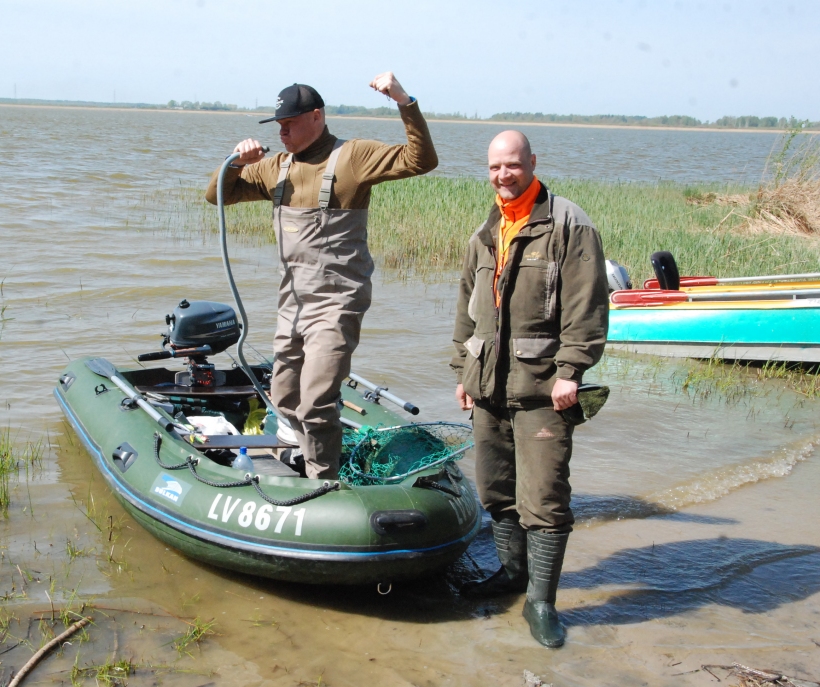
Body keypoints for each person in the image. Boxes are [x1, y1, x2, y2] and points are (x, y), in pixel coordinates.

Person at [207, 73, 438, 480]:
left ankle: (324, 480)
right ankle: (306, 450)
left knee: (315, 400)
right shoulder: (273, 168)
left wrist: (404, 100)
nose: (283, 133)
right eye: (278, 126)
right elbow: (216, 196)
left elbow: (421, 161)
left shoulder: (353, 157)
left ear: (316, 117)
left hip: (337, 303)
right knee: (282, 394)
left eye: (290, 124)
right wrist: (234, 163)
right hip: (291, 304)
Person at [450, 130, 608, 648]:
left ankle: (541, 603)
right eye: (495, 167)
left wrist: (572, 369)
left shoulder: (568, 223)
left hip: (544, 388)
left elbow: (588, 306)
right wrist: (461, 374)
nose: (503, 175)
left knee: (544, 498)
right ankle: (511, 576)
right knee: (496, 492)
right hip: (486, 386)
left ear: (532, 163)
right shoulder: (484, 232)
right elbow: (466, 311)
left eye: (512, 166)